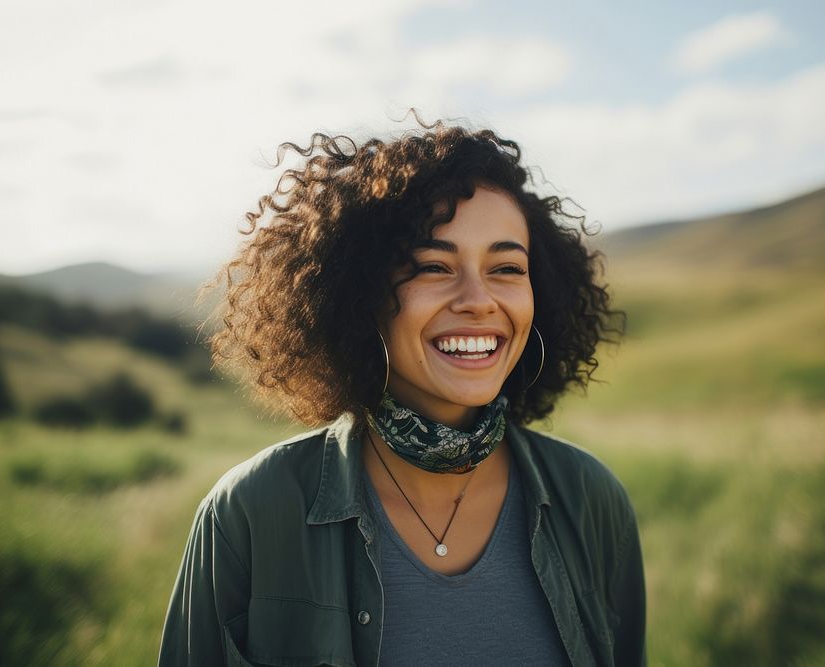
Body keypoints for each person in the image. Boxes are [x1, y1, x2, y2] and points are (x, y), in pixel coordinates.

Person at [159, 119, 646, 666]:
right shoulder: (251, 511)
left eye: (507, 267)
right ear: (361, 293)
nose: (478, 300)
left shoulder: (592, 501)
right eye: (433, 266)